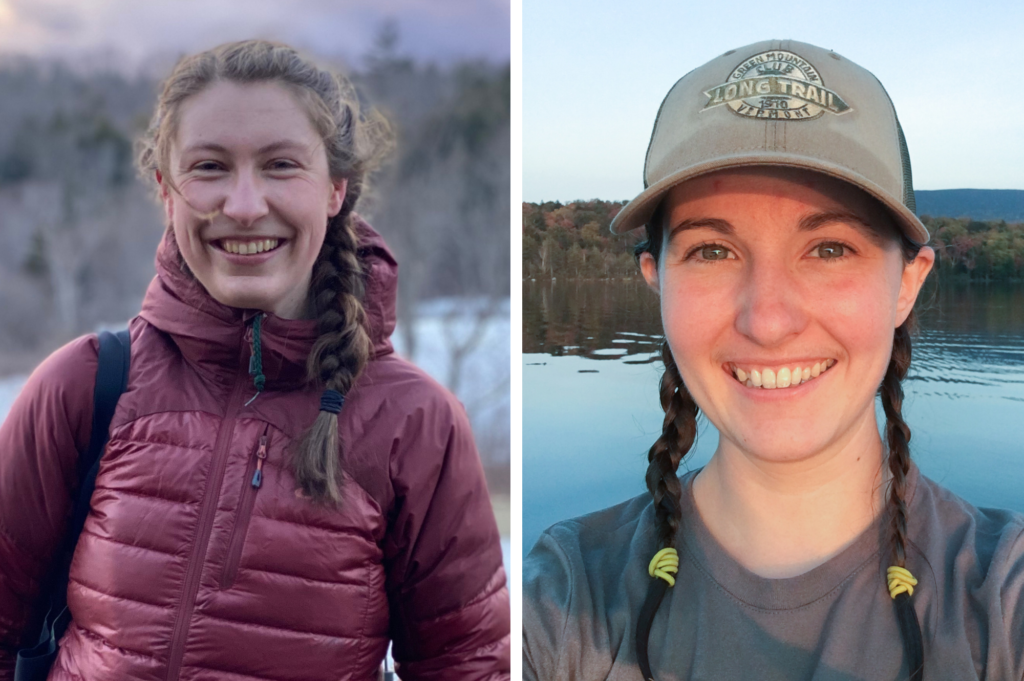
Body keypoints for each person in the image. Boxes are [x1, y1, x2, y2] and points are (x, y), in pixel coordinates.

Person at [0, 40, 510, 680]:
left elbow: (467, 667)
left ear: (334, 189)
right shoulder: (89, 385)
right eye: (210, 167)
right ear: (166, 189)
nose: (243, 206)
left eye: (280, 165)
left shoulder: (416, 424)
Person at [523, 39, 1024, 680]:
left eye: (830, 249)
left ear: (908, 282)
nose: (767, 320)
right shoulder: (564, 601)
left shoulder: (1001, 605)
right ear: (656, 279)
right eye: (712, 251)